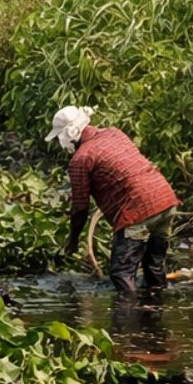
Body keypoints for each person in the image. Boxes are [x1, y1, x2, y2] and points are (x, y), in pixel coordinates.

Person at [49, 106, 181, 293]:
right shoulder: (114, 133)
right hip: (166, 201)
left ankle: (127, 318)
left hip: (138, 212)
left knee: (121, 273)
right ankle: (153, 315)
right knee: (154, 266)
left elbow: (80, 208)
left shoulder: (81, 158)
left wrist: (73, 240)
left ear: (69, 134)